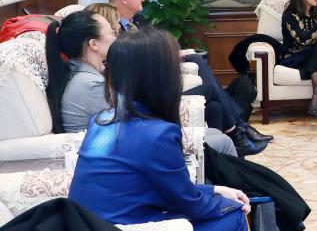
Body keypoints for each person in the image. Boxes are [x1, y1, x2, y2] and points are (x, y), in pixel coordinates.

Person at [67, 28, 265, 231]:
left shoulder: (101, 120)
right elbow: (186, 203)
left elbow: (153, 186)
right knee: (231, 219)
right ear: (160, 76)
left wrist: (216, 188)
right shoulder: (156, 133)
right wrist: (222, 202)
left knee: (223, 208)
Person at [108, 0, 271, 154]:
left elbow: (155, 47)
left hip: (158, 77)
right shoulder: (111, 29)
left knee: (214, 106)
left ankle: (227, 149)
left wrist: (172, 52)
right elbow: (138, 59)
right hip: (149, 92)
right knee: (208, 86)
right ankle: (238, 131)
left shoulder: (139, 21)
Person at [46, 11, 241, 157]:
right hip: (119, 150)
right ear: (93, 44)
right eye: (111, 32)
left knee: (214, 120)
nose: (116, 37)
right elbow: (130, 120)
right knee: (221, 140)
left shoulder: (85, 74)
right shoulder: (89, 85)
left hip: (123, 140)